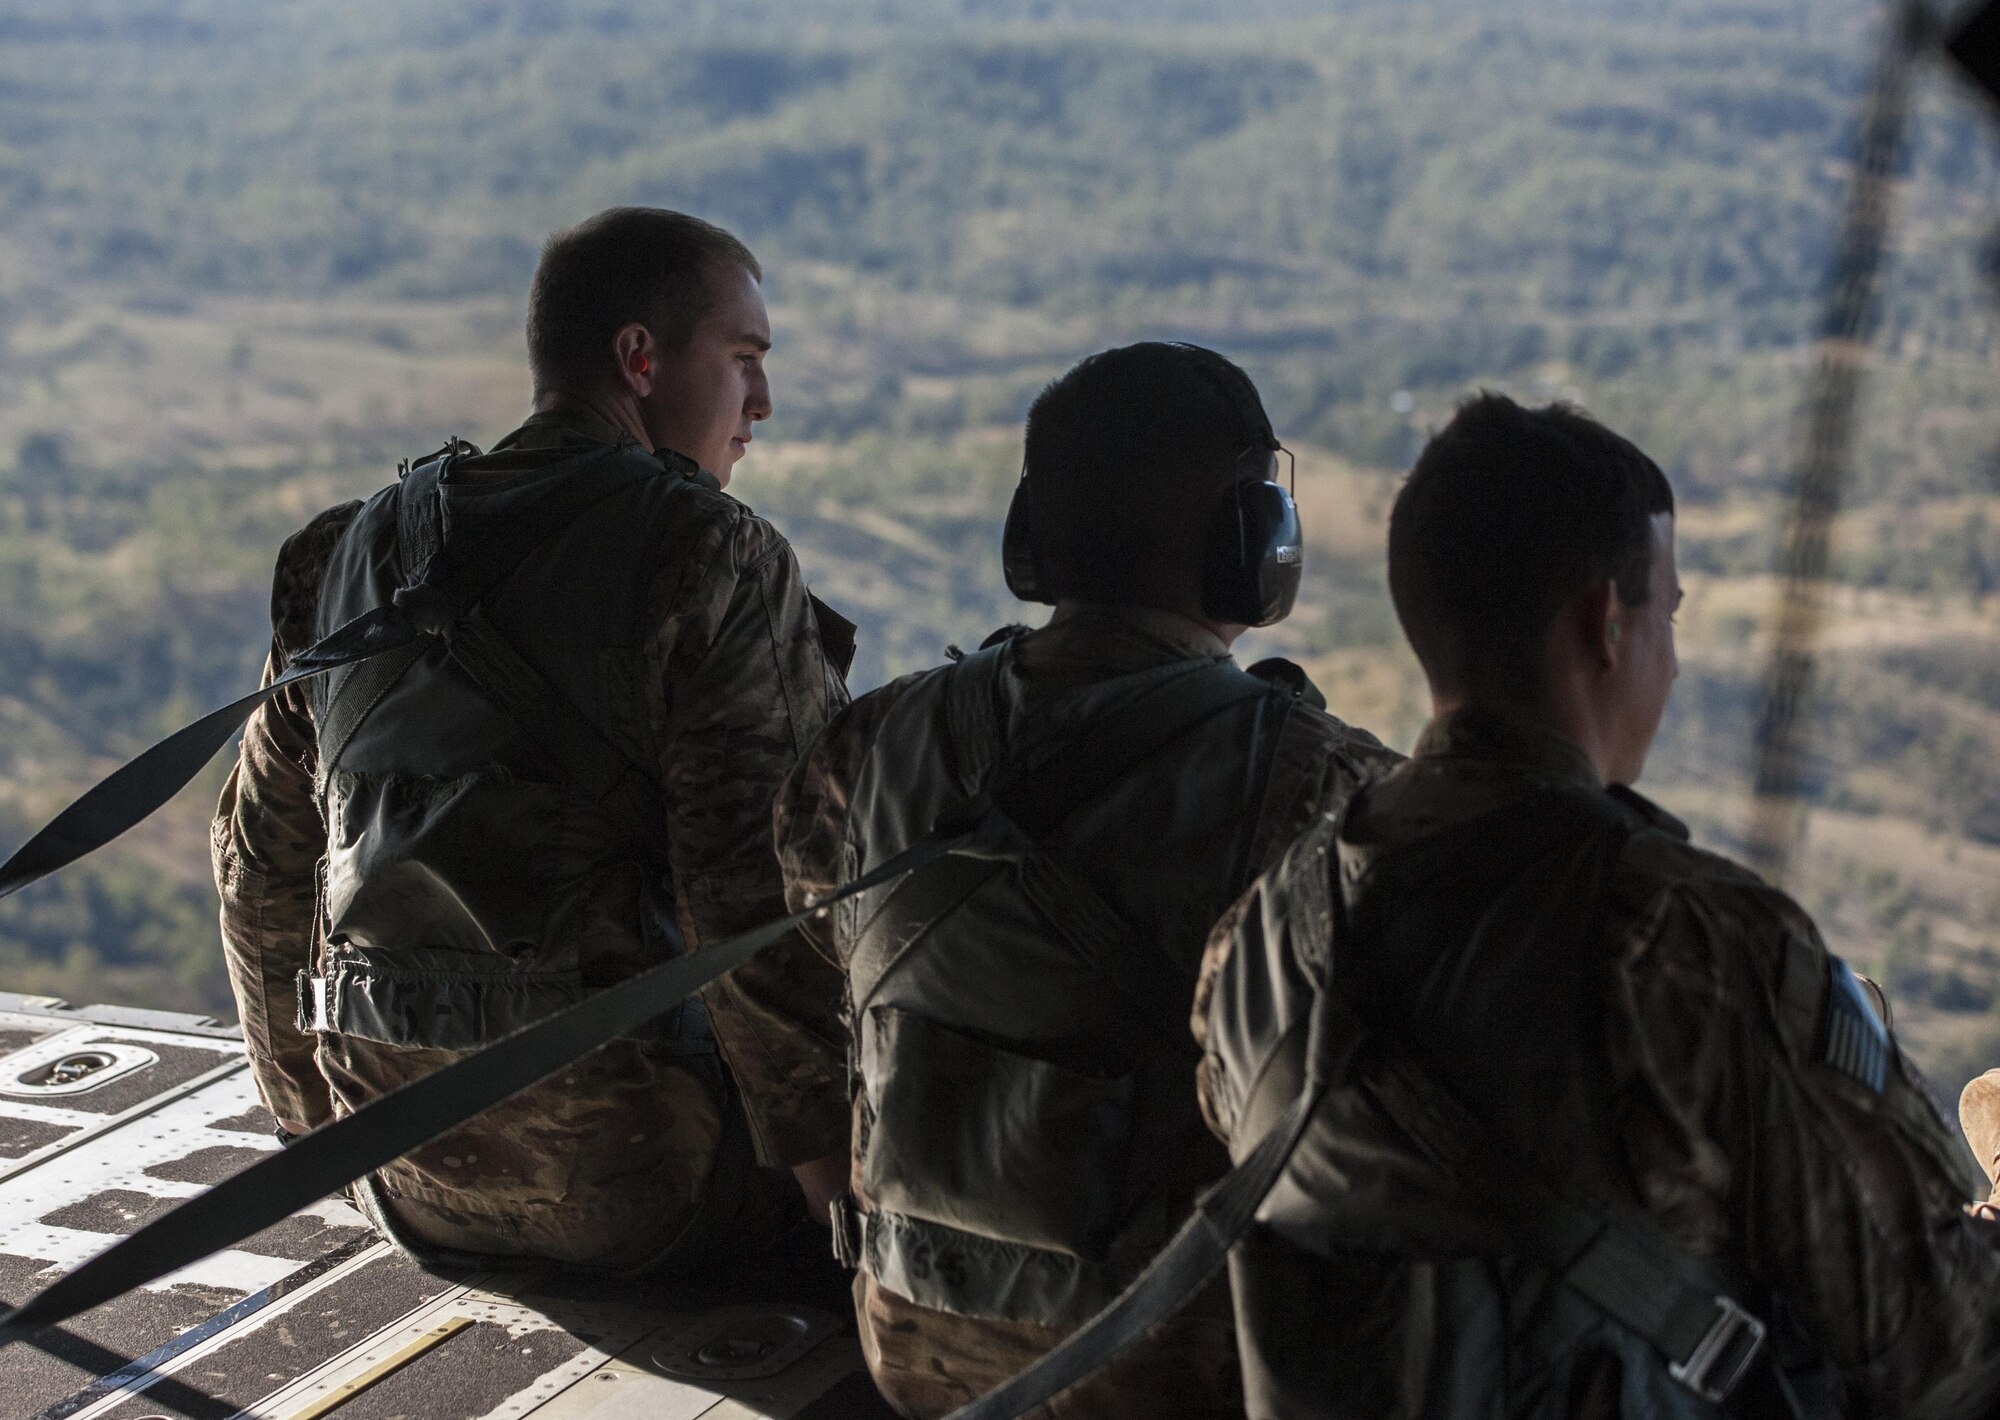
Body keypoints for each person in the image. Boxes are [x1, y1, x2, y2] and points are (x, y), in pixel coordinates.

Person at [1194, 392, 2000, 1418]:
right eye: (1665, 612)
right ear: (1602, 627)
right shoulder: (1691, 941)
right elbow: (1944, 1342)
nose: (1672, 654)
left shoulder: (1262, 934)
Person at [211, 207, 854, 1273]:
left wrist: (312, 1124)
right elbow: (754, 899)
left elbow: (264, 856)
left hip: (402, 1180)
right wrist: (843, 1207)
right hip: (653, 1192)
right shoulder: (707, 554)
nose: (762, 404)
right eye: (741, 360)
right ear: (639, 359)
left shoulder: (347, 547)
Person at [775, 342, 1395, 1418]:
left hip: (912, 1339)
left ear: (1031, 535)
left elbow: (781, 973)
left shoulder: (873, 740)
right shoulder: (1322, 788)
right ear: (1253, 543)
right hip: (1167, 1375)